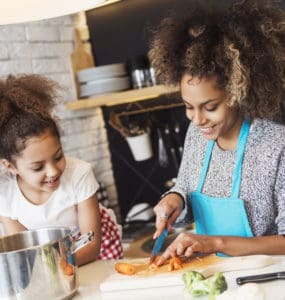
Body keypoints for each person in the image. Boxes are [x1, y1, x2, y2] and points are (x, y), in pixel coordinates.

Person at [148, 0, 285, 265]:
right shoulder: (196, 134)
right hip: (210, 272)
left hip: (265, 277)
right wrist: (173, 199)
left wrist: (214, 243)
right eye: (188, 107)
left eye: (210, 107)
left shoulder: (276, 145)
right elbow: (185, 186)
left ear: (237, 93)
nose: (198, 120)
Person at [0, 74, 123, 266]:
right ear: (11, 166)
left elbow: (91, 245)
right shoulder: (5, 195)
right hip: (50, 262)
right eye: (38, 167)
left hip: (91, 252)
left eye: (58, 157)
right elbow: (23, 252)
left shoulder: (79, 173)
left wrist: (56, 268)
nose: (53, 171)